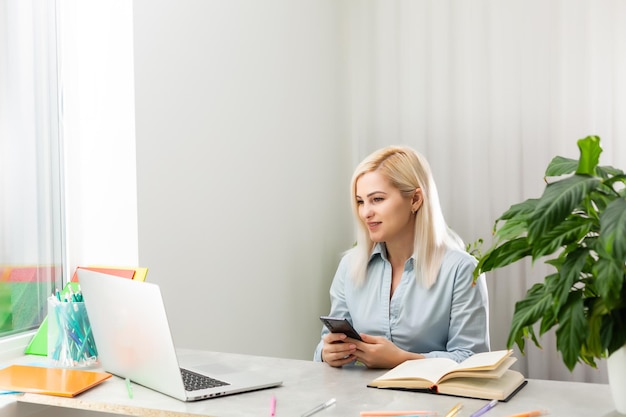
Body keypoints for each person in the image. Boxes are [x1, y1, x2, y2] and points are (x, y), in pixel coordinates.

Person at [314, 145, 490, 369]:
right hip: (359, 400)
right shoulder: (350, 266)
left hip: (434, 402)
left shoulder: (461, 269)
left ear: (415, 199)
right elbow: (323, 347)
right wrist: (328, 352)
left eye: (377, 199)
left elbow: (473, 361)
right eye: (360, 201)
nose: (365, 212)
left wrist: (402, 359)